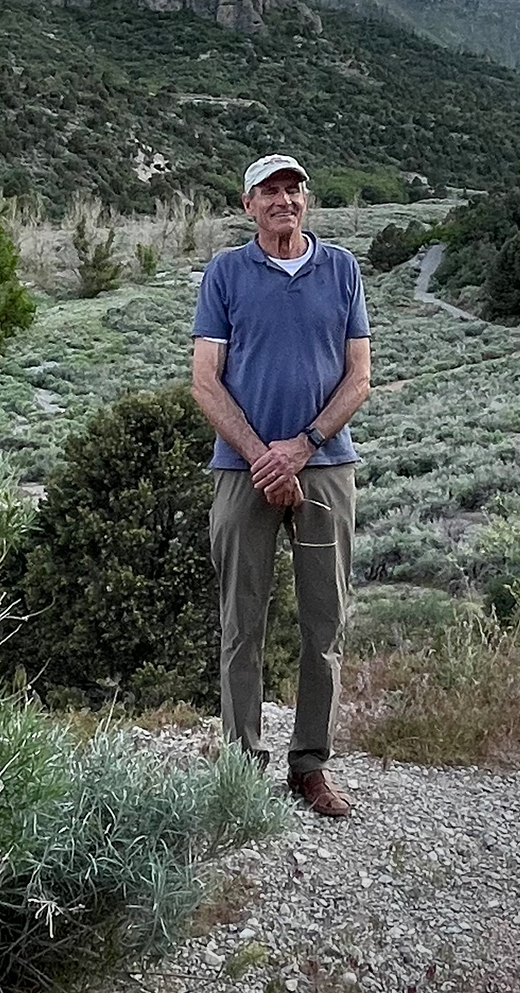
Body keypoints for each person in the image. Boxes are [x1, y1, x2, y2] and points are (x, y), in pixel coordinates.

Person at [191, 154, 371, 817]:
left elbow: (359, 377)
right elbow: (205, 380)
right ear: (248, 204)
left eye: (293, 189)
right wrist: (260, 454)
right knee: (243, 620)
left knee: (326, 618)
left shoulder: (343, 269)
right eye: (270, 190)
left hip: (326, 467)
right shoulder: (226, 274)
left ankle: (310, 766)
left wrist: (303, 446)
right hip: (242, 473)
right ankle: (241, 764)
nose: (284, 200)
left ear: (306, 200)